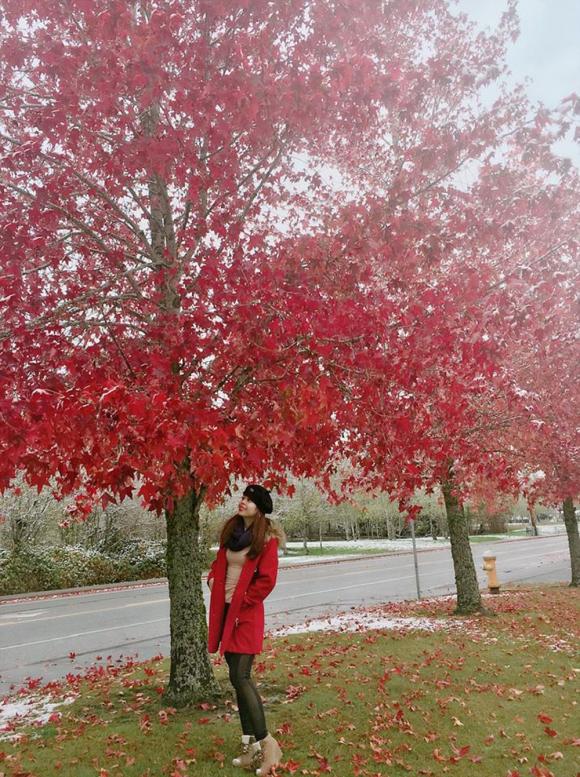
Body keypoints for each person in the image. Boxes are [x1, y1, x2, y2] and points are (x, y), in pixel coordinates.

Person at [207, 484, 285, 776]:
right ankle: (250, 745)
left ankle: (268, 745)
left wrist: (243, 601)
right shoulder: (231, 533)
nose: (243, 502)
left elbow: (267, 581)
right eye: (243, 497)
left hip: (246, 616)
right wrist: (213, 581)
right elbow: (218, 565)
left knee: (241, 676)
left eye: (250, 501)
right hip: (225, 614)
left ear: (260, 509)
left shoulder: (266, 541)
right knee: (236, 678)